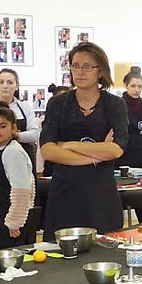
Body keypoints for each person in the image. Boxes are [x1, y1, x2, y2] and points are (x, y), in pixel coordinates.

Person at [40, 42, 129, 236]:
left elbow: (116, 149)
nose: (80, 71)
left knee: (106, 251)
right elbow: (47, 150)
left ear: (100, 71)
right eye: (75, 65)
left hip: (100, 193)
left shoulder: (115, 105)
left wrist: (69, 145)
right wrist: (98, 154)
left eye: (87, 66)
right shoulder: (58, 103)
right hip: (65, 192)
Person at [0, 102, 36, 249]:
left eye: (2, 126)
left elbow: (22, 191)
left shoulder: (13, 152)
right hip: (0, 214)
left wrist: (15, 222)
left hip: (13, 222)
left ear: (14, 128)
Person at [0, 68, 40, 173]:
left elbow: (35, 135)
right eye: (1, 82)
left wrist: (15, 136)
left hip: (25, 157)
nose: (5, 86)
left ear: (16, 86)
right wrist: (20, 135)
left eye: (10, 82)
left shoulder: (25, 106)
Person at [117, 66, 142, 169]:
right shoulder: (118, 104)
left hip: (141, 152)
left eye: (140, 86)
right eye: (133, 86)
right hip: (124, 152)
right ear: (126, 86)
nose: (137, 90)